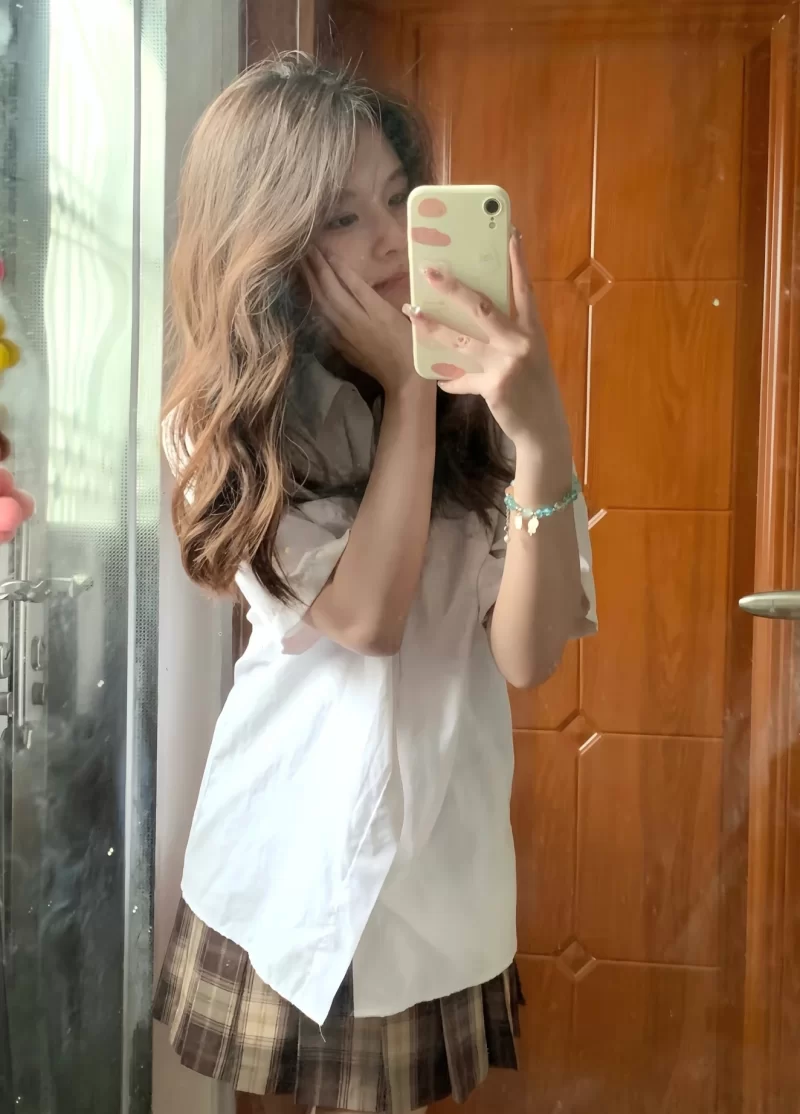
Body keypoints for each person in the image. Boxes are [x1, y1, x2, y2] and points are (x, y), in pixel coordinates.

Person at [154, 53, 597, 1114]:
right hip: (288, 858)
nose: (392, 239)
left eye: (399, 198)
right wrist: (407, 391)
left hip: (438, 873)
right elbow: (365, 618)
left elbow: (526, 654)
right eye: (342, 216)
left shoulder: (484, 392)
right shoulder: (227, 425)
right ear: (270, 239)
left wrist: (539, 437)